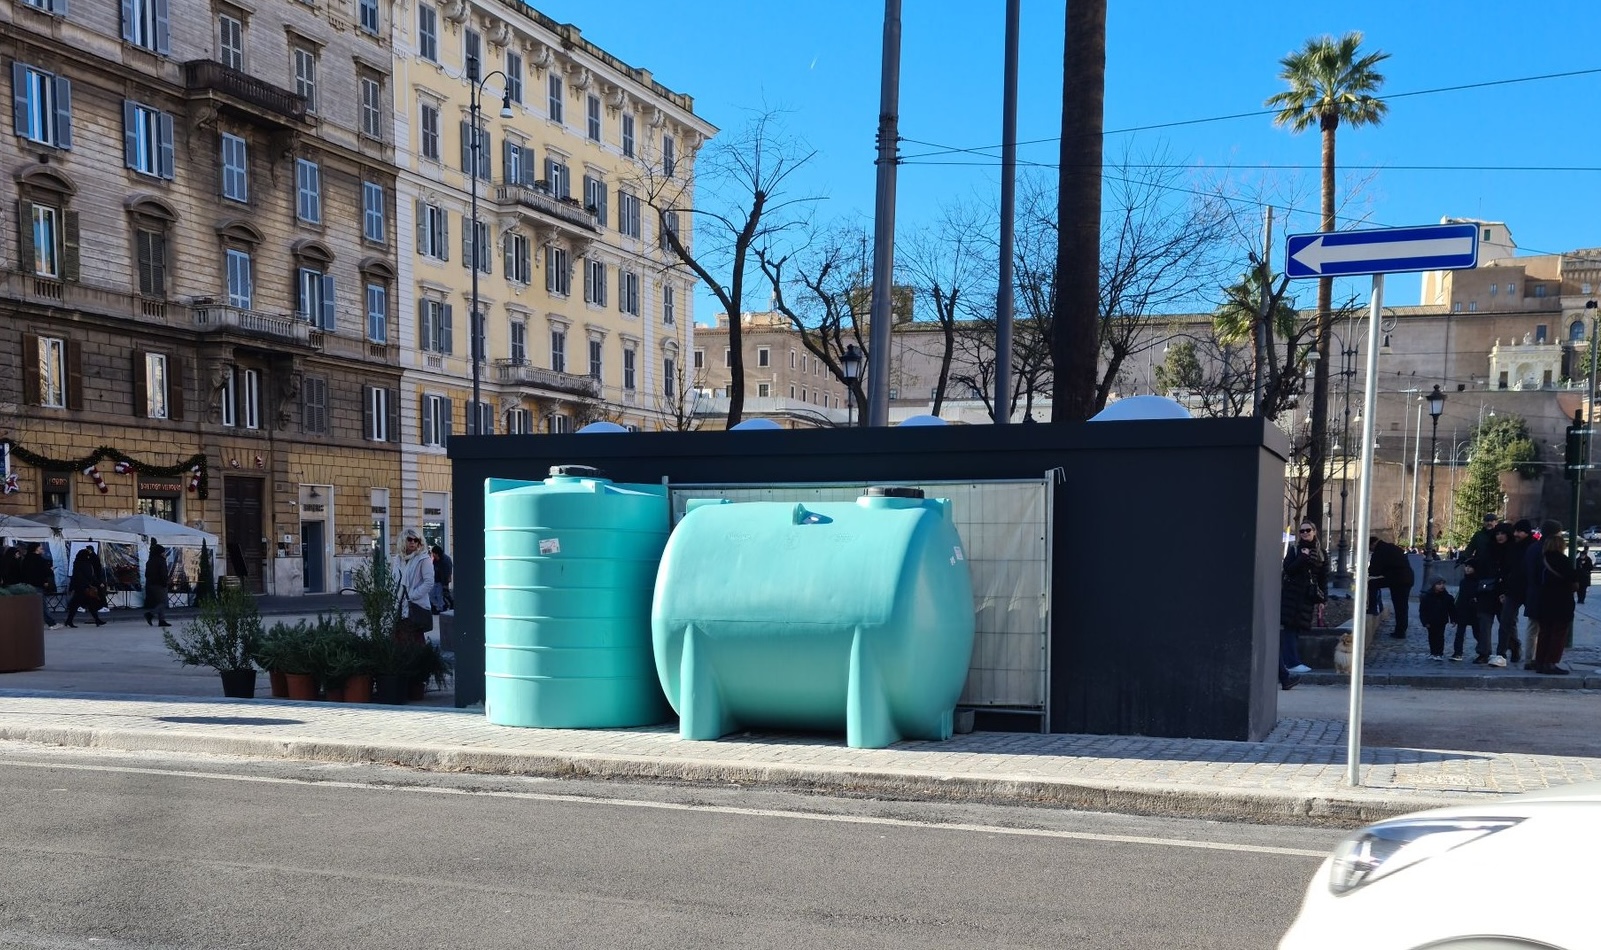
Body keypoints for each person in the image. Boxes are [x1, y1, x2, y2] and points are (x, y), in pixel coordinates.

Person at [1278, 520, 1327, 690]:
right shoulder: (1294, 550)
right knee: (1290, 627)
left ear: (1314, 531)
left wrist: (1323, 600)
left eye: (1308, 530)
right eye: (1302, 531)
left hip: (1308, 596)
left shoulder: (1321, 553)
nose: (1305, 533)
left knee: (1298, 628)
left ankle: (1291, 661)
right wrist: (1303, 557)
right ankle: (1292, 662)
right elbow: (1288, 569)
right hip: (1292, 595)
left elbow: (1323, 578)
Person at [1531, 522, 1579, 675]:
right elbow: (1572, 577)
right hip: (1560, 603)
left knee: (1544, 632)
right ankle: (1551, 662)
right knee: (1558, 634)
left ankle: (1540, 661)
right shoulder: (1562, 561)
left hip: (1543, 601)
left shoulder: (1542, 560)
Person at [1497, 519, 1536, 666]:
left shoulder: (1533, 547)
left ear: (1527, 532)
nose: (1516, 534)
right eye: (1515, 531)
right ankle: (1501, 653)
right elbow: (1508, 570)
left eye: (1519, 531)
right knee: (1505, 621)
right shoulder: (1513, 547)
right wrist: (1504, 590)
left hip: (1529, 590)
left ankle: (1530, 656)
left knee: (1534, 624)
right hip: (1512, 590)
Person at [1366, 535, 1415, 639]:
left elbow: (1373, 571)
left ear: (1373, 544)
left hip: (1397, 580)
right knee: (1402, 606)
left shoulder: (1379, 551)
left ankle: (1373, 608)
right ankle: (1401, 630)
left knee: (1372, 583)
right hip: (1407, 578)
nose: (1370, 551)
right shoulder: (1391, 547)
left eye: (1370, 548)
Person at [392, 527, 435, 642]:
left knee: (414, 639)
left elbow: (429, 582)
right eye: (410, 539)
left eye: (416, 540)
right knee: (399, 640)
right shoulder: (398, 559)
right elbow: (394, 580)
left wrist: (412, 595)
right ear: (403, 541)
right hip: (399, 605)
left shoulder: (423, 559)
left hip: (415, 605)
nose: (413, 542)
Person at [1454, 558, 1497, 663]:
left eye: (1470, 567)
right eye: (1466, 567)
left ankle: (1484, 652)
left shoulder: (1478, 582)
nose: (1467, 569)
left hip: (1474, 610)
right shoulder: (1463, 581)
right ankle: (1457, 652)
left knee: (1477, 632)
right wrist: (1455, 611)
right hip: (1463, 610)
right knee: (1460, 633)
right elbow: (1459, 597)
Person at [63, 547, 106, 628]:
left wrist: (71, 588)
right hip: (84, 588)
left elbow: (75, 577)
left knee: (79, 605)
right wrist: (98, 583)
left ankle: (69, 621)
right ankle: (96, 620)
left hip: (81, 588)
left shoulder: (77, 563)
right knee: (86, 604)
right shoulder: (86, 564)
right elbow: (90, 576)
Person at [20, 542, 59, 630]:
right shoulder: (39, 560)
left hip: (27, 585)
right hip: (37, 585)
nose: (42, 549)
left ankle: (28, 623)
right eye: (40, 548)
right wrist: (49, 571)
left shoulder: (26, 559)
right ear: (36, 549)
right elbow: (42, 572)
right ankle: (51, 623)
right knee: (42, 605)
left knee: (30, 605)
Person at [1418, 575, 1455, 661]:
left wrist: (1453, 619)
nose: (1441, 586)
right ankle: (1433, 652)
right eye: (1439, 584)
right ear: (1433, 585)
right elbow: (1423, 611)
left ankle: (1439, 653)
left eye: (1443, 584)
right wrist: (1425, 621)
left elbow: (1451, 609)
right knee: (1432, 637)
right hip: (1431, 621)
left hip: (1442, 620)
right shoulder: (1427, 597)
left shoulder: (1447, 597)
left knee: (1440, 637)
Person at [143, 540, 171, 628]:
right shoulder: (161, 561)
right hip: (160, 584)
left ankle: (161, 620)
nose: (164, 553)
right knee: (163, 603)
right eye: (163, 552)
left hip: (151, 584)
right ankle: (150, 614)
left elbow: (146, 574)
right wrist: (164, 582)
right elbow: (163, 573)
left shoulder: (150, 561)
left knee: (159, 603)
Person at [429, 544, 454, 613]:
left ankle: (441, 608)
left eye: (433, 553)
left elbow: (447, 572)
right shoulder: (436, 560)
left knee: (440, 595)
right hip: (436, 580)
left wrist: (445, 584)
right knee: (431, 595)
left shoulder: (445, 561)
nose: (432, 554)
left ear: (436, 553)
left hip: (442, 581)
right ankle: (441, 606)